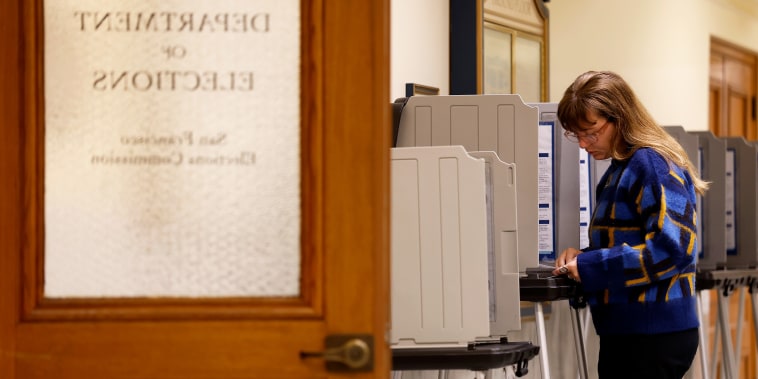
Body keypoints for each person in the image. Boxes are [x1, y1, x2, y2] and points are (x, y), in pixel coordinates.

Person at [551, 71, 709, 379]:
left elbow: (672, 250)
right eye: (576, 134)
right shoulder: (620, 169)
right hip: (633, 331)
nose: (583, 143)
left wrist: (592, 266)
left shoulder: (650, 164)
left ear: (619, 117)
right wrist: (582, 258)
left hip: (651, 334)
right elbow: (629, 241)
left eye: (591, 131)